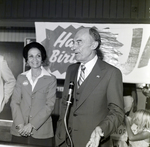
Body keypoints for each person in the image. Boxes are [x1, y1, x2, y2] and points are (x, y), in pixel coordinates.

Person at [55, 27, 124, 147]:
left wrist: (101, 129)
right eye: (73, 42)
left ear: (94, 45)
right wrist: (59, 138)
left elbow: (117, 112)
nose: (73, 47)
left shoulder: (111, 73)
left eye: (79, 42)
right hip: (64, 142)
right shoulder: (71, 70)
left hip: (92, 142)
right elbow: (64, 106)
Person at [10, 42, 57, 146]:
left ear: (42, 58)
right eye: (31, 56)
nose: (34, 59)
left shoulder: (51, 79)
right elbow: (15, 102)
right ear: (26, 59)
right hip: (19, 130)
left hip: (41, 132)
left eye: (38, 56)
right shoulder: (21, 77)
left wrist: (31, 125)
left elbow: (50, 105)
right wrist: (20, 124)